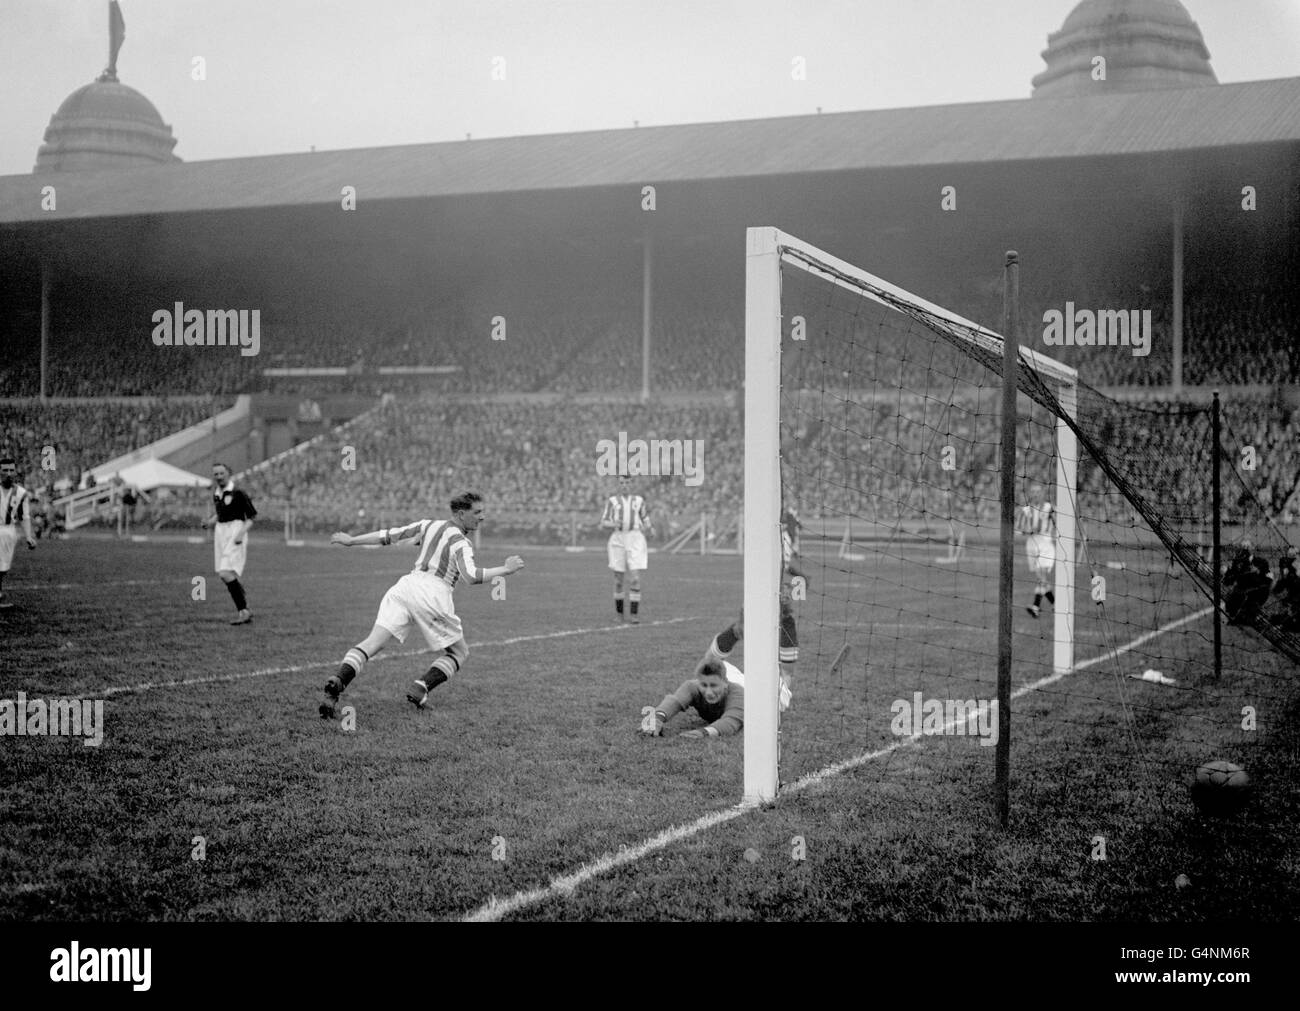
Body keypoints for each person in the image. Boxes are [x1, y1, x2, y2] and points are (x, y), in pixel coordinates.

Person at [319, 490, 524, 717]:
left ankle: (337, 683)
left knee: (372, 644)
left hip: (405, 587)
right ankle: (421, 688)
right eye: (477, 512)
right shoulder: (461, 542)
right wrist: (506, 569)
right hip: (433, 593)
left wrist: (351, 541)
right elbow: (471, 576)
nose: (482, 516)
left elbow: (388, 535)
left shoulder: (427, 525)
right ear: (460, 513)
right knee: (459, 652)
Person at [202, 462, 257, 625]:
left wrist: (241, 533)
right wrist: (209, 522)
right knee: (226, 573)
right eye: (216, 474)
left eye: (221, 473)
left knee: (225, 573)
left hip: (235, 530)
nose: (218, 477)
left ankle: (244, 611)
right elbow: (220, 514)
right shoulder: (217, 493)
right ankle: (244, 609)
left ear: (229, 474)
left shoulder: (238, 493)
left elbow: (252, 517)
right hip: (221, 533)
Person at [639, 658, 744, 739]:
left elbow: (731, 721)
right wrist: (656, 719)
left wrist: (704, 732)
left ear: (725, 683)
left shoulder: (739, 693)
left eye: (713, 686)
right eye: (704, 685)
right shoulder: (693, 686)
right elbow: (675, 700)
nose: (708, 692)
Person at [600, 474, 654, 623]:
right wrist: (613, 524)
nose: (624, 485)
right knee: (618, 579)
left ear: (632, 484)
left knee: (635, 577)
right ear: (618, 485)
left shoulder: (639, 501)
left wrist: (650, 529)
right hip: (618, 539)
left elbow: (645, 518)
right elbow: (604, 522)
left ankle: (634, 615)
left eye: (627, 482)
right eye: (622, 482)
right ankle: (619, 614)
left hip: (635, 538)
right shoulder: (612, 501)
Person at [1016, 483, 1058, 618]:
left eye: (1038, 492)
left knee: (1041, 576)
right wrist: (1025, 531)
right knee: (1041, 578)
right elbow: (1018, 528)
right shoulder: (1026, 510)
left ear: (1042, 493)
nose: (1035, 494)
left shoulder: (1049, 508)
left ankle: (1036, 606)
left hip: (1045, 544)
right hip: (1031, 544)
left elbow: (1059, 522)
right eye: (1033, 491)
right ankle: (1055, 604)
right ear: (1030, 493)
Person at [0, 458, 37, 609]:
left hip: (9, 531)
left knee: (3, 567)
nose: (9, 474)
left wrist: (28, 536)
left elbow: (25, 516)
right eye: (5, 470)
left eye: (11, 470)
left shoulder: (21, 493)